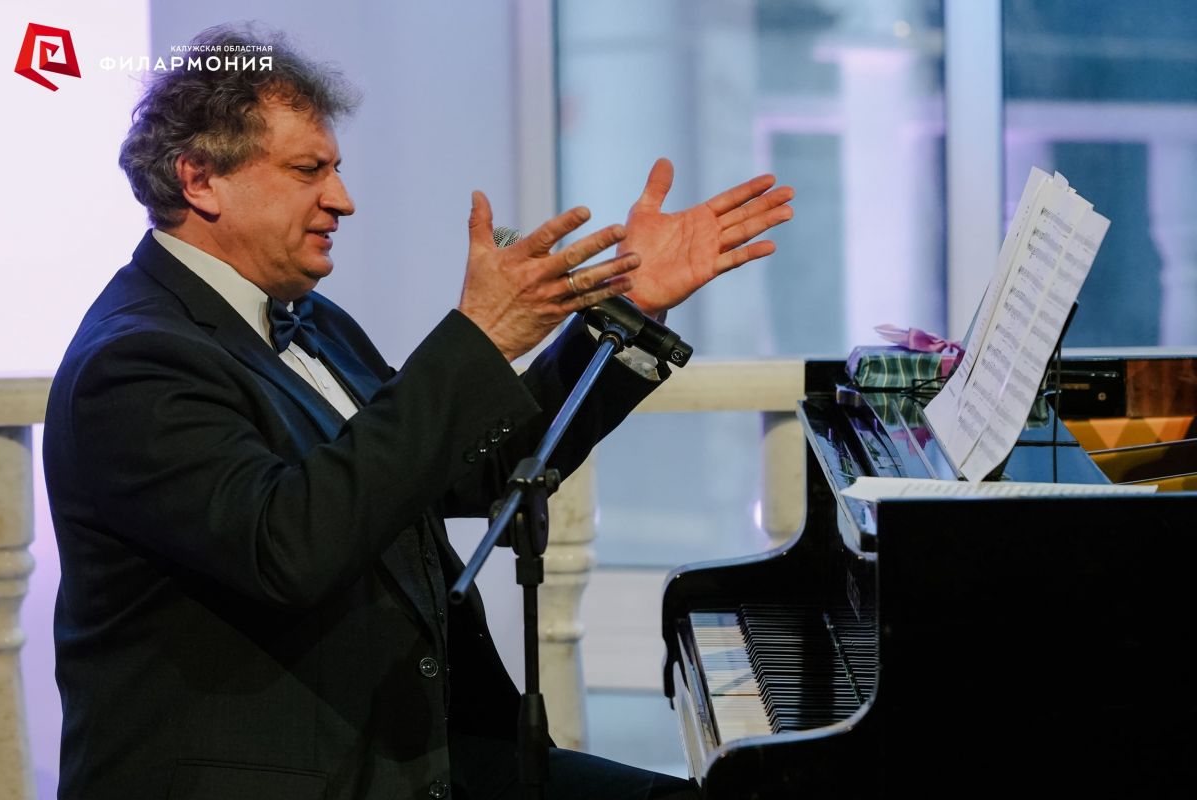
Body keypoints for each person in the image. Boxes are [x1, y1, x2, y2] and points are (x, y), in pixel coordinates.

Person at [42, 23, 793, 800]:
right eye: (308, 170)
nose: (342, 200)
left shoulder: (311, 319)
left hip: (409, 755)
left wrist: (627, 311)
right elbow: (289, 548)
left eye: (336, 169)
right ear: (200, 179)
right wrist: (479, 338)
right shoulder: (134, 364)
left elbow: (468, 471)